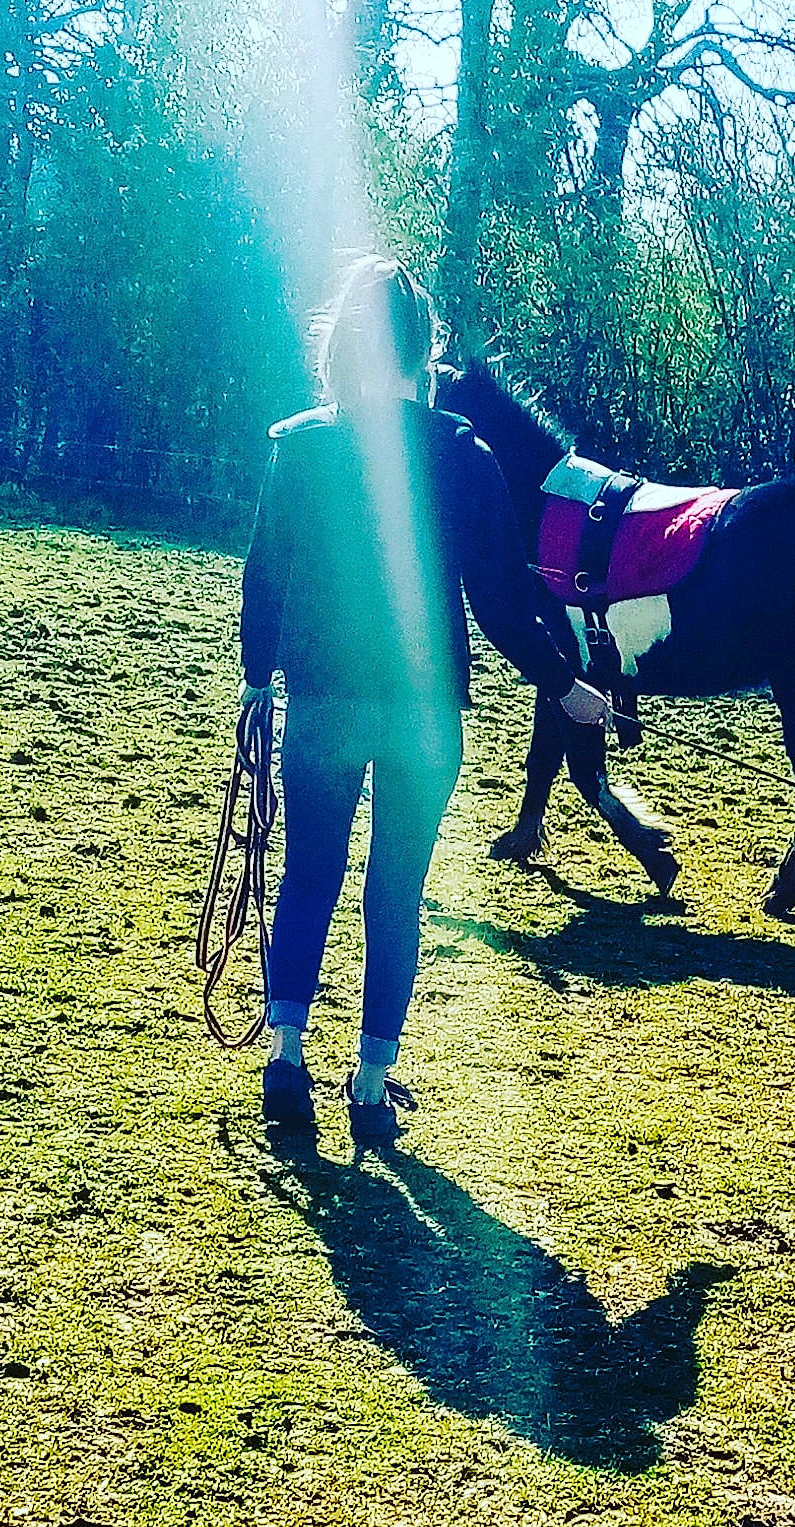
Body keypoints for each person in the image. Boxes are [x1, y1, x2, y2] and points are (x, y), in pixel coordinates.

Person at [240, 255, 609, 1143]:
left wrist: (257, 682)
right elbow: (501, 604)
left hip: (322, 698)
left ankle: (286, 1057)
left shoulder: (301, 446)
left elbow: (265, 579)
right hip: (422, 711)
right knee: (395, 888)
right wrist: (568, 688)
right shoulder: (462, 456)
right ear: (426, 347)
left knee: (308, 874)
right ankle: (370, 1081)